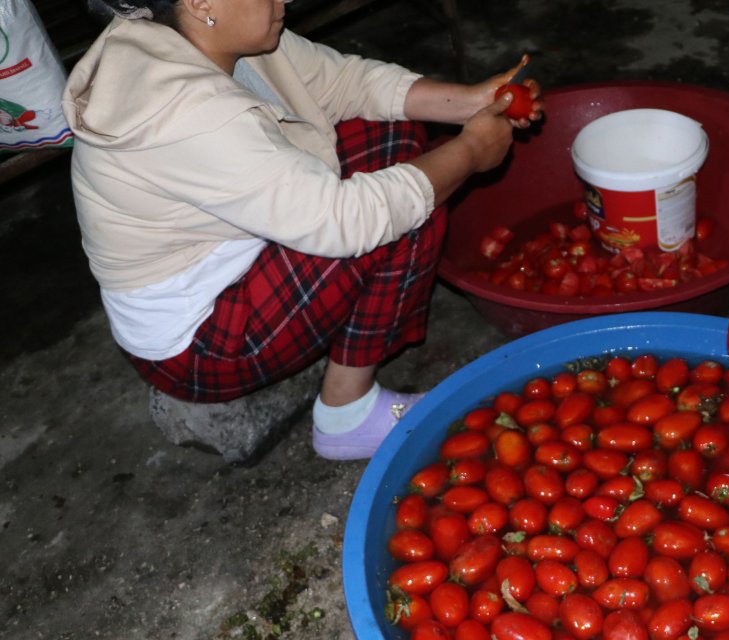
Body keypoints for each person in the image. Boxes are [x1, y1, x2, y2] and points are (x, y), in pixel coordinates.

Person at [62, 0, 542, 460]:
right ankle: (347, 413)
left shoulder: (202, 36)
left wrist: (471, 102)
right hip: (201, 343)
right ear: (201, 2)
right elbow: (345, 220)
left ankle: (343, 372)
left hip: (230, 260)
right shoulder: (183, 112)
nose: (285, 0)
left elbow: (344, 83)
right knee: (410, 196)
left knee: (395, 143)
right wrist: (469, 154)